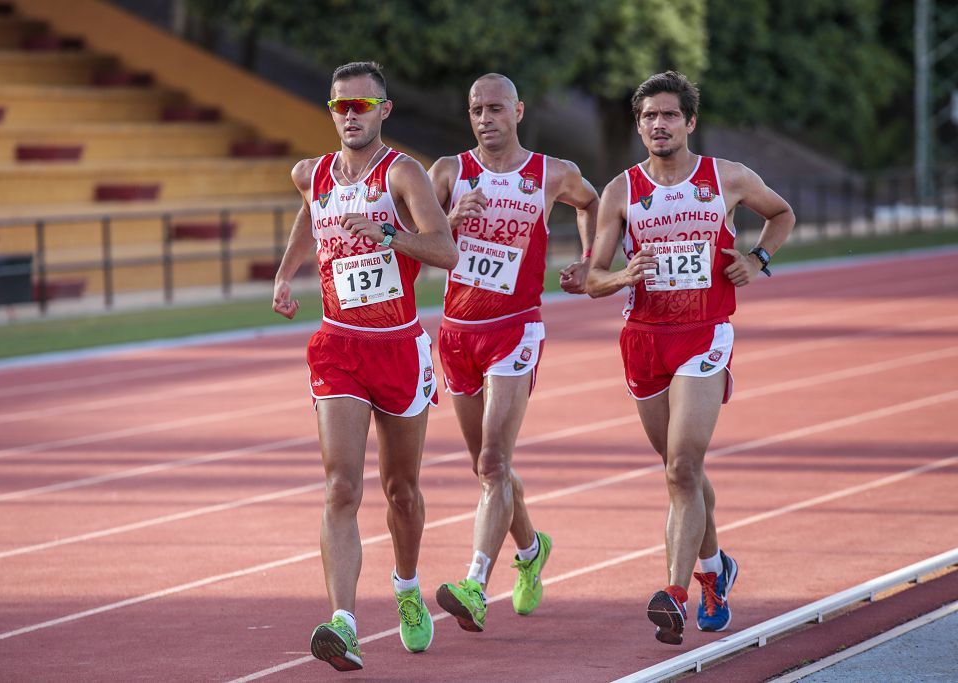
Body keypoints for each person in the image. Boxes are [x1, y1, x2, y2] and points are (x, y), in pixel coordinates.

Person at [585, 71, 795, 645]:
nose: (659, 124)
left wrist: (758, 260)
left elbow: (782, 214)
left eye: (669, 115)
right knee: (684, 472)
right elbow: (593, 278)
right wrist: (618, 275)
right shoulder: (620, 192)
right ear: (638, 123)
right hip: (644, 337)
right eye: (649, 115)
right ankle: (716, 569)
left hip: (704, 334)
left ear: (690, 122)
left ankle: (675, 594)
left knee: (682, 466)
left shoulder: (726, 177)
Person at [271, 61, 458, 671]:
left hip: (399, 349)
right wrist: (286, 270)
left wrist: (387, 233)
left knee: (401, 491)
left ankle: (406, 588)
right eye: (340, 105)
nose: (350, 115)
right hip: (338, 348)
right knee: (341, 486)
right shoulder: (312, 173)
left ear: (384, 109)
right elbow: (310, 212)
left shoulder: (401, 173)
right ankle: (344, 623)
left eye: (361, 104)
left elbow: (445, 250)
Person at [427, 73, 599, 633]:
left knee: (495, 462)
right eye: (476, 109)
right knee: (487, 466)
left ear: (519, 111)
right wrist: (449, 221)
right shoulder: (448, 173)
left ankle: (475, 585)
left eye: (496, 109)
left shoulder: (550, 174)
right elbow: (413, 244)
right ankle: (531, 552)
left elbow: (592, 202)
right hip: (457, 333)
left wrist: (590, 259)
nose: (484, 119)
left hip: (515, 329)